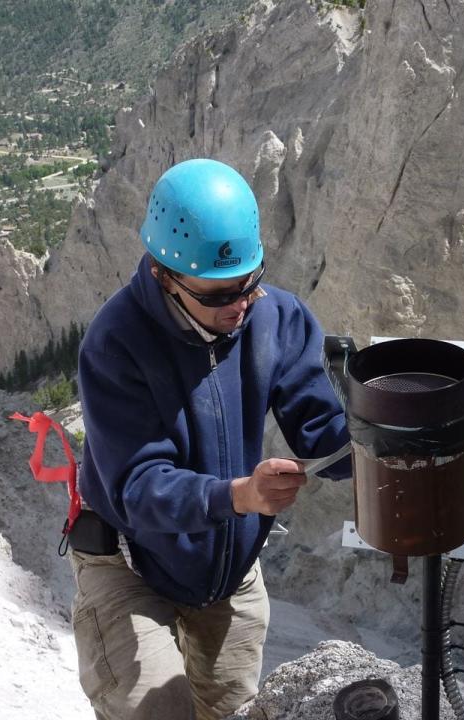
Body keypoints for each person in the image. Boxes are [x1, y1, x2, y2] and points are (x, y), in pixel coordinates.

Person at [71, 158, 351, 720]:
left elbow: (322, 434)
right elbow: (140, 488)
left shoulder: (278, 319)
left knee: (234, 712)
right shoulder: (115, 343)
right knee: (160, 709)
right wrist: (239, 497)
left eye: (249, 282)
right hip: (130, 560)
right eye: (220, 294)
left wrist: (385, 434)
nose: (240, 304)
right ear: (162, 274)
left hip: (226, 569)